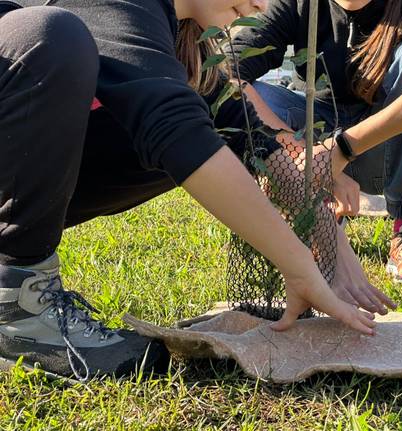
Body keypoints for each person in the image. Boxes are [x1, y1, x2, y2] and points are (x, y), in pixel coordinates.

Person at [0, 0, 382, 381]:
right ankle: (17, 305)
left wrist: (328, 239)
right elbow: (173, 127)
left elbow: (254, 138)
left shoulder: (184, 43)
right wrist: (299, 267)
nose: (261, 4)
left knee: (197, 112)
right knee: (51, 36)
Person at [231, 0, 402, 283]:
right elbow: (226, 71)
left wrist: (343, 149)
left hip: (385, 148)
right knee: (254, 95)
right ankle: (316, 215)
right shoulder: (299, 4)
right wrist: (303, 155)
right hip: (314, 135)